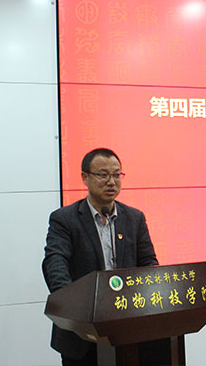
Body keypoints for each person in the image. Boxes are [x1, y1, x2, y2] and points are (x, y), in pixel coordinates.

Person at [42, 148, 158, 366]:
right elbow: (55, 262)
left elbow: (149, 264)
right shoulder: (64, 219)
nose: (111, 182)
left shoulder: (134, 218)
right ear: (85, 178)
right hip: (81, 333)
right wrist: (72, 304)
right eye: (103, 175)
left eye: (116, 175)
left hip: (128, 329)